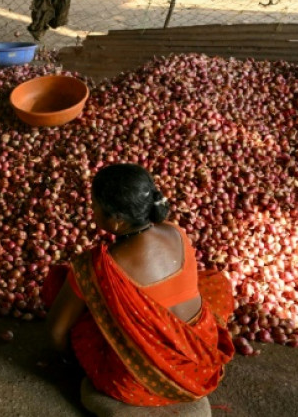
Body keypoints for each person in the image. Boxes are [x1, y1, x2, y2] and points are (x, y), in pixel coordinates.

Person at [44, 163, 234, 411]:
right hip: (200, 368)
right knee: (212, 282)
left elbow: (55, 332)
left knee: (61, 284)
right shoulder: (176, 232)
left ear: (117, 221)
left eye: (94, 205)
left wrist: (71, 360)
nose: (91, 209)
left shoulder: (96, 267)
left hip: (135, 382)